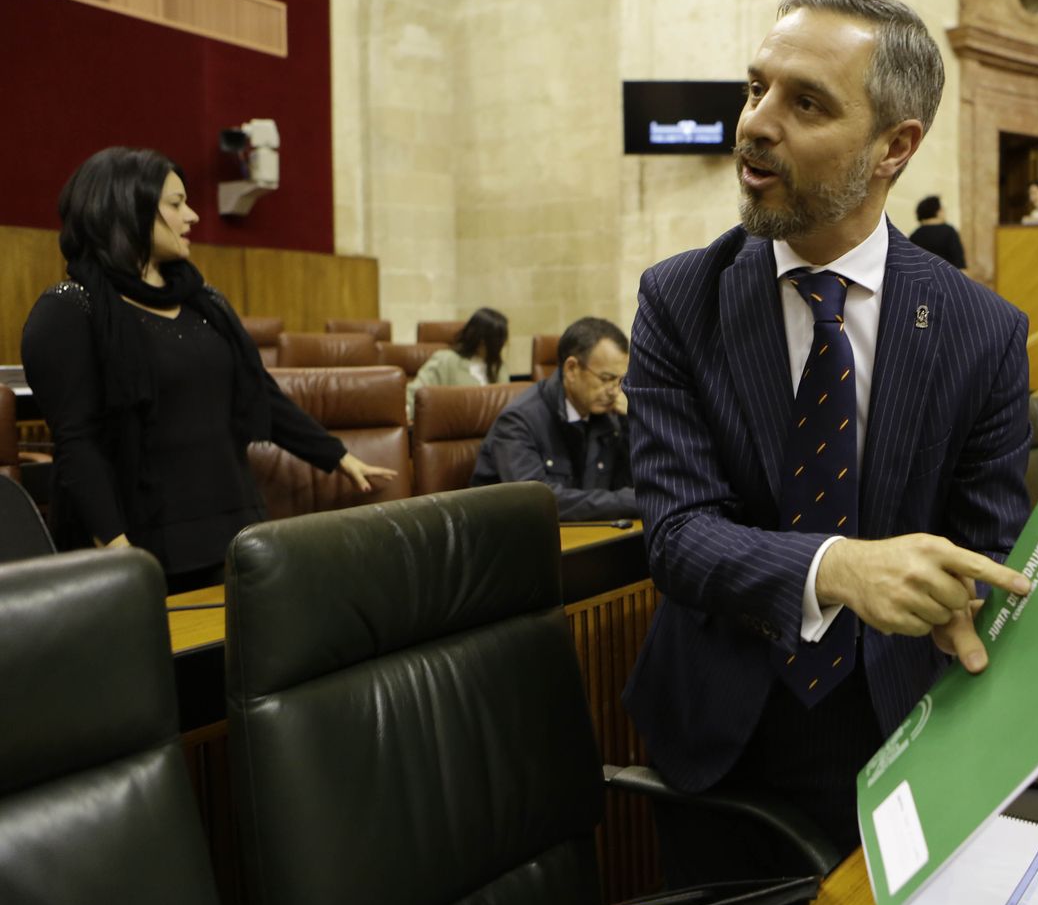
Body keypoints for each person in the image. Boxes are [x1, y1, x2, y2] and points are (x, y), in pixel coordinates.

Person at [622, 0, 1035, 879]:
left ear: (895, 147)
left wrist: (972, 603)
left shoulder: (984, 331)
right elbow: (678, 537)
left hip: (903, 731)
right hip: (721, 740)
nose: (755, 124)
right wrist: (840, 567)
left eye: (805, 103)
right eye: (755, 88)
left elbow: (989, 545)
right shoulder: (678, 299)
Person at [21, 147, 396, 593]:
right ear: (127, 209)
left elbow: (258, 392)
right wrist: (120, 553)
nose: (193, 216)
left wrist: (336, 455)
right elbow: (78, 443)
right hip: (140, 547)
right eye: (176, 204)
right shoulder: (70, 310)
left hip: (234, 533)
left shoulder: (205, 302)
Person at [469, 316, 636, 519]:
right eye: (606, 379)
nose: (614, 391)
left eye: (620, 380)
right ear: (571, 369)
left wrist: (630, 425)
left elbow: (632, 483)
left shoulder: (609, 418)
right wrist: (628, 502)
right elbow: (537, 503)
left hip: (589, 532)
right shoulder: (518, 422)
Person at [404, 306, 509, 421]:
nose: (503, 345)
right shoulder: (445, 360)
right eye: (499, 341)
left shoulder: (498, 367)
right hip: (453, 426)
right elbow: (415, 395)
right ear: (481, 341)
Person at [907, 194, 966, 269]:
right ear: (938, 212)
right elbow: (959, 263)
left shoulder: (915, 235)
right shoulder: (949, 231)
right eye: (943, 209)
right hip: (945, 275)